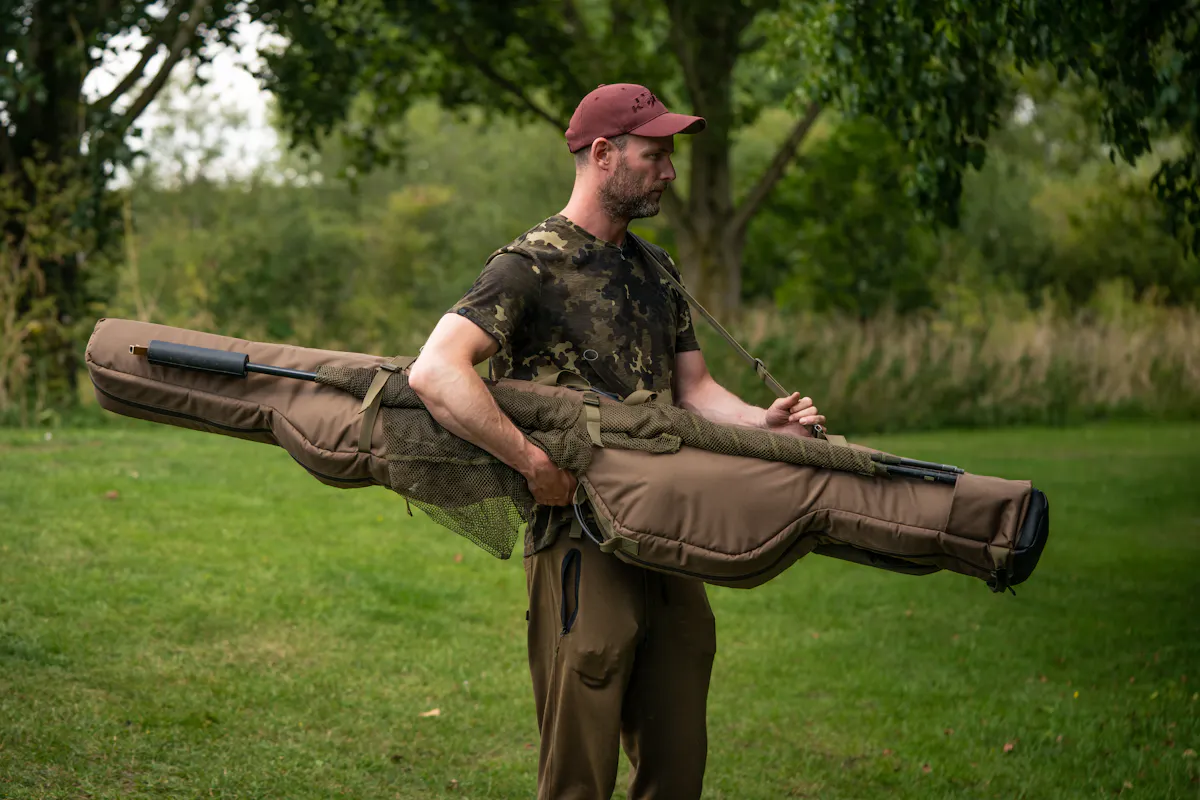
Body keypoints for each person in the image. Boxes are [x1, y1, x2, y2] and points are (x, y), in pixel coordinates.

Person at [407, 83, 825, 800]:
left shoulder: (656, 268)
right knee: (581, 762)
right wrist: (530, 461)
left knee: (679, 741)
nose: (669, 171)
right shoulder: (529, 264)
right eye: (656, 154)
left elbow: (694, 392)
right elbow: (436, 371)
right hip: (578, 533)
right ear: (603, 154)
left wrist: (765, 421)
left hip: (669, 522)